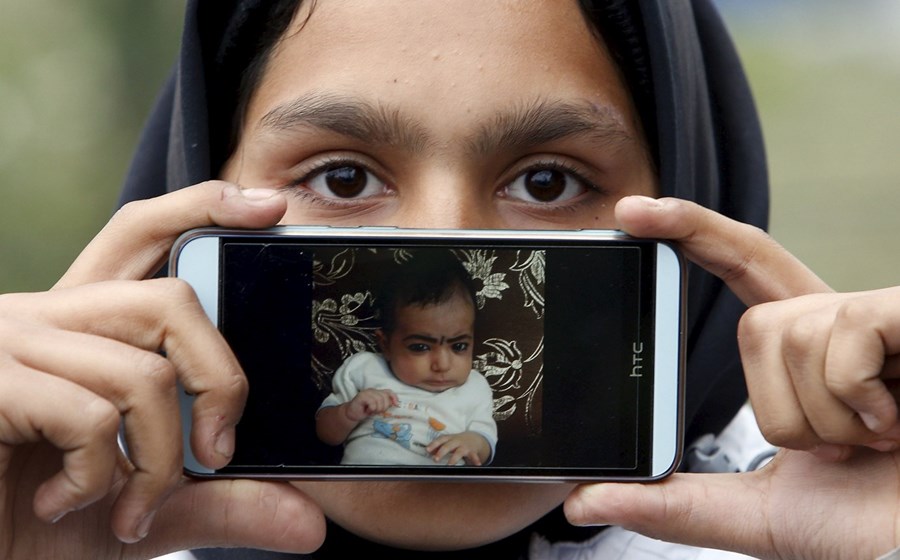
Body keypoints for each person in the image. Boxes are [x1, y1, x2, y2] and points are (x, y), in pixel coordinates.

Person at [1, 0, 898, 559]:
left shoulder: (814, 536)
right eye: (344, 179)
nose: (443, 246)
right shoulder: (60, 525)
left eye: (546, 182)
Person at [316, 252, 497, 466]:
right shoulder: (364, 368)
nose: (442, 365)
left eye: (459, 346)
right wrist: (348, 412)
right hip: (364, 487)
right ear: (386, 345)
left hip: (438, 491)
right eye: (420, 347)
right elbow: (326, 434)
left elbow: (486, 442)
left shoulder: (474, 387)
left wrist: (472, 442)